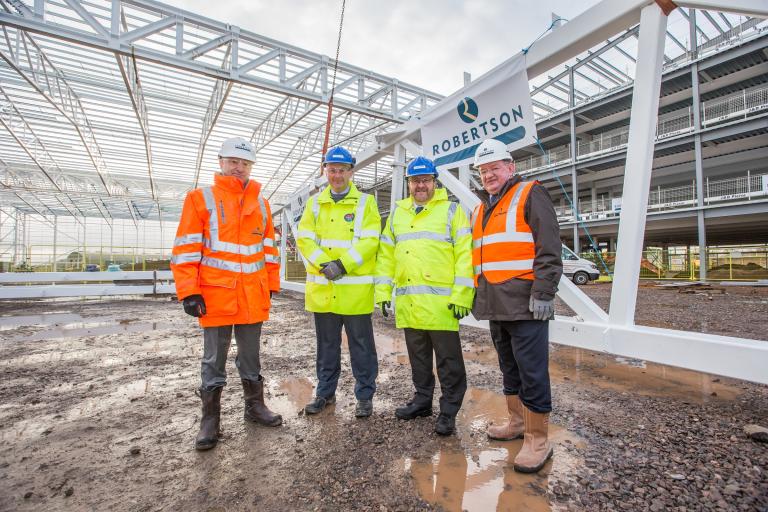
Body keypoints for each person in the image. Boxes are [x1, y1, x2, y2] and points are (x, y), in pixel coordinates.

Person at [171, 137, 282, 451]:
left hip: (252, 295)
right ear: (221, 162)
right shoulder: (200, 199)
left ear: (251, 168)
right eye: (233, 161)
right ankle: (210, 420)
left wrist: (271, 285)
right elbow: (186, 247)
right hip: (216, 295)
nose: (238, 168)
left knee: (251, 357)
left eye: (245, 164)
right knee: (213, 359)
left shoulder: (262, 203)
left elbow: (269, 250)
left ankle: (254, 407)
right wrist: (189, 291)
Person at [471, 138, 563, 473]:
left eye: (494, 168)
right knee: (510, 369)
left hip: (526, 304)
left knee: (532, 372)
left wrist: (544, 292)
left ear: (510, 167)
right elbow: (480, 257)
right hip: (495, 303)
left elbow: (549, 245)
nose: (489, 175)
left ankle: (538, 439)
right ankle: (517, 422)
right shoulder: (481, 208)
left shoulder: (529, 193)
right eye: (483, 170)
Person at [374, 157, 474, 436]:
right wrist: (383, 291)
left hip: (442, 305)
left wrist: (462, 295)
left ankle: (449, 411)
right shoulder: (397, 214)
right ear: (408, 183)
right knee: (418, 358)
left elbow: (465, 256)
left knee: (448, 362)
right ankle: (422, 401)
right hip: (410, 303)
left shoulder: (452, 211)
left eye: (426, 180)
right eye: (415, 180)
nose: (420, 185)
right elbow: (386, 257)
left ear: (434, 182)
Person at [296, 146, 381, 418]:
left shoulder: (366, 203)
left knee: (362, 349)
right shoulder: (314, 203)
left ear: (351, 172)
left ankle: (365, 397)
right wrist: (325, 264)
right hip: (324, 291)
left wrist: (342, 265)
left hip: (354, 293)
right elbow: (305, 238)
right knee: (327, 348)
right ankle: (325, 393)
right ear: (325, 171)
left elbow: (370, 240)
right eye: (332, 170)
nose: (337, 175)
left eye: (342, 170)